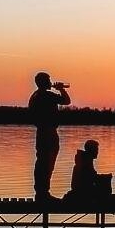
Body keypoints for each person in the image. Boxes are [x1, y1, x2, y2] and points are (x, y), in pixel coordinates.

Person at [29, 72, 71, 202]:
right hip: (48, 132)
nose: (50, 82)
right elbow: (66, 101)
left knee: (42, 162)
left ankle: (41, 193)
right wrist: (61, 89)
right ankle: (43, 194)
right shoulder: (46, 95)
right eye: (48, 80)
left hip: (41, 132)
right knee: (47, 163)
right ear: (43, 82)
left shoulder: (35, 95)